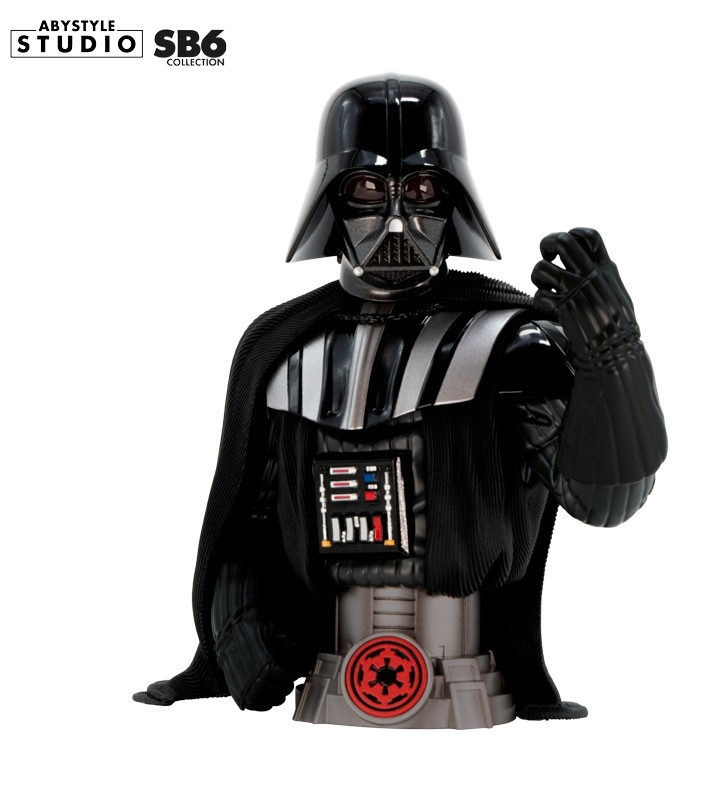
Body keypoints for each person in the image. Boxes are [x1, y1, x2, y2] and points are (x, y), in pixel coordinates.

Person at [134, 76, 667, 728]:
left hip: (467, 684)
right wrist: (239, 626)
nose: (395, 221)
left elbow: (604, 499)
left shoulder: (509, 343)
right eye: (367, 189)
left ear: (453, 201)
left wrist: (614, 363)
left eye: (419, 191)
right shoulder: (284, 349)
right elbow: (249, 521)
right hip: (327, 680)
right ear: (331, 201)